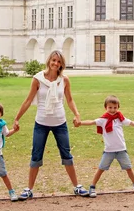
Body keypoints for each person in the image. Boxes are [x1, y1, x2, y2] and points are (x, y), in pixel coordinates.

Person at [13, 50, 90, 200]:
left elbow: (69, 100)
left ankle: (77, 186)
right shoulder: (38, 79)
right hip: (41, 122)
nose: (56, 63)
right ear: (49, 61)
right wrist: (17, 118)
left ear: (61, 64)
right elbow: (28, 100)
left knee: (66, 155)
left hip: (60, 122)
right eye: (54, 60)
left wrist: (77, 114)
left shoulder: (64, 80)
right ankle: (29, 189)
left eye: (59, 61)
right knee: (36, 155)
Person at [76, 95, 134, 198]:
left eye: (115, 107)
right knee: (101, 169)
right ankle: (92, 187)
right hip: (109, 151)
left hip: (121, 150)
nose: (112, 110)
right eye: (110, 107)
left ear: (118, 107)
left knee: (129, 168)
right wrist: (80, 123)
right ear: (105, 108)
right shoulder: (102, 120)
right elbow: (91, 122)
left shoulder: (120, 119)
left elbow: (132, 123)